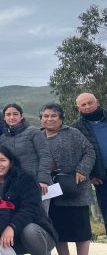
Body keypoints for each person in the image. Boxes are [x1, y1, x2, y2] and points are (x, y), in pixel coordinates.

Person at [0, 145, 57, 255]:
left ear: (11, 162)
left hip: (36, 234)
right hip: (5, 237)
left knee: (29, 231)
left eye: (3, 160)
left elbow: (31, 209)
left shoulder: (26, 179)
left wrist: (12, 226)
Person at [41, 103, 95, 255]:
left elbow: (89, 151)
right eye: (45, 116)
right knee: (58, 231)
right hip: (51, 192)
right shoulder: (37, 136)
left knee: (81, 230)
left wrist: (82, 170)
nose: (49, 119)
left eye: (53, 116)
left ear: (61, 119)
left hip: (75, 188)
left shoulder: (73, 133)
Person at [71, 92, 107, 232]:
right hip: (102, 178)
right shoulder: (75, 128)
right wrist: (90, 175)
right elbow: (77, 155)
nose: (87, 107)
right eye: (83, 105)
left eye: (89, 103)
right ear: (78, 108)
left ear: (97, 102)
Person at [0, 104, 52, 195]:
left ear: (22, 116)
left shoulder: (34, 132)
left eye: (15, 114)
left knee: (39, 209)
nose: (12, 117)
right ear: (4, 118)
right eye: (8, 115)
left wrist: (43, 180)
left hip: (38, 183)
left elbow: (45, 156)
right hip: (15, 185)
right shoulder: (3, 138)